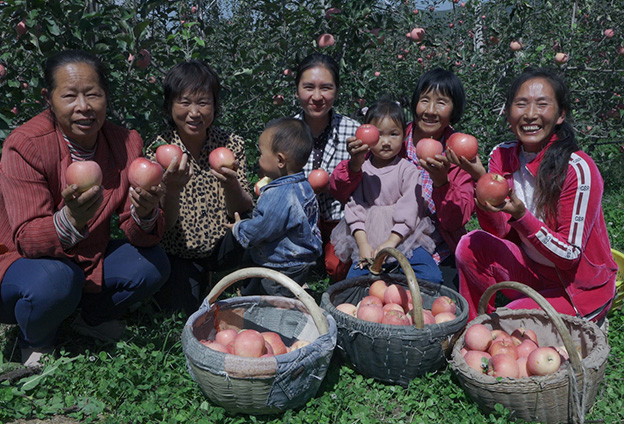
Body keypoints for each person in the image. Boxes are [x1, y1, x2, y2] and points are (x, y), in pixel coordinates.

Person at [0, 50, 170, 366]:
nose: (83, 107)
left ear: (106, 96)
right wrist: (70, 218)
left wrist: (145, 212)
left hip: (85, 259)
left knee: (151, 264)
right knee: (56, 279)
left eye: (93, 95)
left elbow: (136, 233)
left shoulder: (125, 143)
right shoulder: (24, 145)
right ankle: (36, 340)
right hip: (20, 264)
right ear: (48, 98)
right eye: (69, 96)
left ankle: (90, 318)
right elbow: (25, 238)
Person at [455, 68, 617, 323]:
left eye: (542, 105)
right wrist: (481, 180)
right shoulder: (502, 155)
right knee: (470, 245)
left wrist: (522, 216)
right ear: (509, 114)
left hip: (576, 290)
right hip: (533, 271)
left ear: (561, 114)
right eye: (521, 104)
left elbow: (569, 255)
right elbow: (499, 233)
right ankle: (472, 326)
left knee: (508, 323)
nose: (530, 114)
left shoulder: (577, 169)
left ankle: (498, 324)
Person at [330, 68, 476, 288]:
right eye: (425, 100)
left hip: (432, 244)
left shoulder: (457, 153)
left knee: (435, 290)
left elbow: (456, 220)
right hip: (376, 236)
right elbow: (344, 194)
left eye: (442, 103)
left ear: (454, 109)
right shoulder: (387, 137)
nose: (430, 110)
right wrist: (354, 164)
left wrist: (442, 184)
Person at [145, 60, 253, 315]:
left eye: (203, 102)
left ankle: (247, 285)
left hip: (225, 243)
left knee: (257, 229)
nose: (194, 112)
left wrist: (231, 186)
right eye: (184, 102)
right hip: (179, 251)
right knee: (181, 312)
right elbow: (164, 224)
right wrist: (170, 190)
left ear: (215, 105)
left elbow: (244, 208)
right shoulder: (159, 151)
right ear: (170, 105)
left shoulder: (231, 145)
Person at [330, 99, 442, 282]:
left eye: (394, 134)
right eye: (379, 135)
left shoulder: (408, 170)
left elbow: (410, 209)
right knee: (354, 282)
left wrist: (391, 242)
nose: (386, 142)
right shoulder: (361, 170)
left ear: (404, 136)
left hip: (405, 238)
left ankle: (403, 295)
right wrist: (363, 244)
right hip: (368, 237)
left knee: (430, 277)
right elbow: (354, 207)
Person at [223, 117, 323, 297]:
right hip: (300, 260)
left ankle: (276, 321)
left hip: (282, 265)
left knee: (275, 301)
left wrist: (239, 227)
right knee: (291, 294)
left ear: (280, 160)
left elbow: (262, 229)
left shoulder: (279, 194)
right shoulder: (304, 185)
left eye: (261, 154)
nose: (259, 158)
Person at [293, 52, 361, 282]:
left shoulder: (354, 132)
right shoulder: (287, 133)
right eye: (309, 87)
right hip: (298, 219)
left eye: (326, 88)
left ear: (337, 91)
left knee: (339, 266)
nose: (317, 96)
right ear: (297, 90)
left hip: (339, 218)